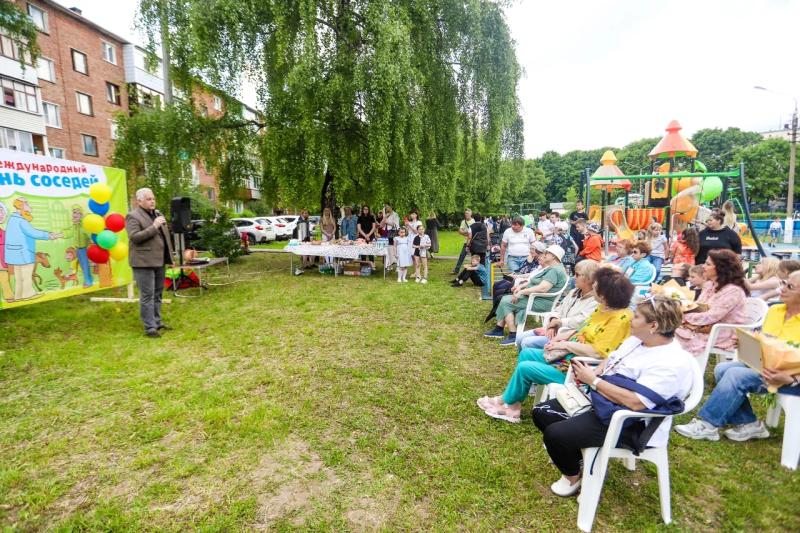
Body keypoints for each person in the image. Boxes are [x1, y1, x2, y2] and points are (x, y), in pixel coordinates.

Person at [532, 298, 694, 496]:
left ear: (654, 325)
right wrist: (598, 370)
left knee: (556, 434)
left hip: (630, 422)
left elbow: (635, 402)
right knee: (542, 413)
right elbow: (614, 358)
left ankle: (574, 478)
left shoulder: (671, 362)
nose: (630, 320)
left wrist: (594, 381)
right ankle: (584, 464)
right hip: (604, 403)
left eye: (637, 317)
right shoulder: (638, 340)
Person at [477, 267, 634, 422]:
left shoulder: (620, 319)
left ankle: (509, 405)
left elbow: (597, 353)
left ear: (606, 294)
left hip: (578, 368)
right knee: (527, 353)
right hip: (569, 356)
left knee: (526, 368)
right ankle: (513, 403)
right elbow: (582, 329)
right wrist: (560, 338)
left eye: (597, 286)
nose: (593, 287)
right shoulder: (603, 308)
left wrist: (564, 345)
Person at [675, 268, 800, 442]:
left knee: (735, 375)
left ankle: (708, 425)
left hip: (791, 378)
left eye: (790, 286)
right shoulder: (776, 311)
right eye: (783, 283)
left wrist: (791, 379)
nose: (783, 289)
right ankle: (750, 424)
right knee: (721, 369)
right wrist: (748, 344)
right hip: (766, 366)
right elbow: (767, 340)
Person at [484, 245, 568, 346]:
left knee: (506, 301)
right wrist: (521, 287)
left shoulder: (555, 270)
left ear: (554, 256)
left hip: (540, 301)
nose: (544, 255)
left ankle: (512, 334)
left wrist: (522, 292)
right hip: (536, 298)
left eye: (547, 253)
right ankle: (499, 329)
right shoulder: (553, 268)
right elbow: (535, 281)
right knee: (505, 298)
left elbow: (543, 288)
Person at [675, 249, 749, 356]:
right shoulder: (710, 285)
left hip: (721, 333)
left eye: (708, 264)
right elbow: (698, 307)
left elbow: (711, 316)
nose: (703, 267)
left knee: (668, 334)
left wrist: (683, 315)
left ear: (720, 268)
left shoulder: (733, 291)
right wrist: (680, 309)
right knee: (665, 328)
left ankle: (681, 367)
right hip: (704, 327)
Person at [515, 259, 600, 350]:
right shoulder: (574, 292)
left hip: (568, 336)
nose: (574, 277)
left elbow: (581, 322)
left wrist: (558, 323)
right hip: (555, 328)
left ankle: (540, 361)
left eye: (577, 275)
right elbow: (558, 309)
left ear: (589, 278)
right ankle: (528, 359)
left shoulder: (595, 300)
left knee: (527, 342)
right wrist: (553, 322)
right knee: (519, 338)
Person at [126, 188, 175, 338]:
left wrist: (170, 258)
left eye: (153, 198)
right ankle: (150, 328)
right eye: (148, 199)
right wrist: (154, 226)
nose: (152, 201)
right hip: (142, 262)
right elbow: (135, 237)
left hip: (159, 260)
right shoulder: (132, 216)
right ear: (139, 201)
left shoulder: (158, 214)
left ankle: (157, 322)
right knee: (147, 295)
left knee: (158, 293)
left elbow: (165, 238)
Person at [3, 197, 61, 301]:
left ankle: (19, 295)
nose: (29, 206)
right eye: (27, 204)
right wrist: (49, 235)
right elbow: (33, 232)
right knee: (26, 274)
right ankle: (28, 294)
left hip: (14, 254)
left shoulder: (12, 219)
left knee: (19, 277)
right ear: (21, 206)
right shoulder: (21, 220)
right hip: (23, 253)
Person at [483, 241, 547, 323]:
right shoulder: (531, 258)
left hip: (521, 281)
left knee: (500, 289)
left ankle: (499, 313)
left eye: (532, 249)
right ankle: (497, 311)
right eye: (530, 248)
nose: (530, 250)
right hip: (518, 278)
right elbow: (521, 269)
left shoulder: (540, 262)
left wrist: (527, 265)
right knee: (496, 285)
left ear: (538, 251)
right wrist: (516, 272)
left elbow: (530, 274)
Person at [65, 205, 94, 288]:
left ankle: (88, 282)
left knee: (85, 265)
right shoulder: (75, 226)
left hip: (84, 249)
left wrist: (92, 240)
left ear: (81, 215)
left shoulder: (83, 226)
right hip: (78, 249)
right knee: (82, 265)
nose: (75, 214)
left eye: (78, 213)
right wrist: (61, 234)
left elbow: (89, 234)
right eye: (74, 212)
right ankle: (89, 280)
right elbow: (70, 232)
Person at [452, 209, 475, 274]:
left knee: (474, 256)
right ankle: (456, 270)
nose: (466, 215)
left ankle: (473, 270)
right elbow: (460, 231)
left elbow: (473, 232)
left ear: (471, 214)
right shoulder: (463, 221)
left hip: (473, 241)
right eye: (465, 213)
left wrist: (466, 232)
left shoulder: (473, 221)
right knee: (462, 255)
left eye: (467, 213)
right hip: (466, 241)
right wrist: (466, 233)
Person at [293, 209, 314, 274]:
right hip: (302, 238)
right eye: (304, 213)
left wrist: (310, 236)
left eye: (307, 213)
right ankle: (304, 265)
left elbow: (307, 230)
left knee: (308, 251)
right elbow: (300, 231)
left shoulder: (306, 220)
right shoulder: (300, 221)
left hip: (307, 237)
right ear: (301, 214)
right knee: (304, 252)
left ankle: (308, 264)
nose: (306, 214)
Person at [0, 202, 13, 302]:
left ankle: (9, 297)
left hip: (5, 259)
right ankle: (9, 297)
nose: (0, 214)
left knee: (5, 278)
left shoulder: (4, 232)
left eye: (2, 211)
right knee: (4, 278)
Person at [382, 204, 401, 270]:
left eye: (388, 207)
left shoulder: (395, 214)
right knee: (387, 249)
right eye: (385, 207)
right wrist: (384, 217)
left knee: (394, 249)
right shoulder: (385, 214)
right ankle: (388, 264)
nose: (386, 208)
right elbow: (382, 224)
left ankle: (397, 265)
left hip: (392, 232)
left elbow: (396, 224)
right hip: (385, 232)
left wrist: (386, 221)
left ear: (391, 207)